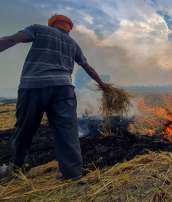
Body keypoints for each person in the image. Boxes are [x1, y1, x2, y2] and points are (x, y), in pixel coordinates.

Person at [0, 15, 110, 180]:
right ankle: (73, 175)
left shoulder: (39, 29)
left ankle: (15, 168)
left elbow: (14, 39)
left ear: (52, 24)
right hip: (64, 89)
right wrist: (102, 84)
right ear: (69, 27)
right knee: (67, 132)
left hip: (34, 85)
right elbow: (87, 67)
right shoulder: (73, 44)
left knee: (24, 129)